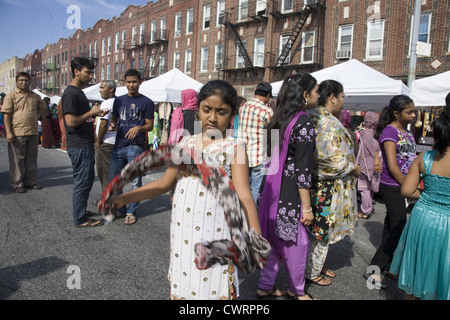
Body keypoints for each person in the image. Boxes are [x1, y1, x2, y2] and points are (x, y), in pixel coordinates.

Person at [103, 80, 261, 299]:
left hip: (217, 229)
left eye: (221, 112)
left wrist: (256, 236)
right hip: (183, 231)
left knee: (214, 285)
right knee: (185, 281)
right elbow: (162, 184)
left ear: (232, 115)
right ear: (198, 111)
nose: (213, 118)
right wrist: (122, 199)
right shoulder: (185, 143)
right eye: (207, 110)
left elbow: (244, 194)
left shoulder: (235, 147)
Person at [257, 73, 318, 300]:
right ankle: (297, 290)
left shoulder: (277, 118)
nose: (318, 95)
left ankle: (265, 286)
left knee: (273, 242)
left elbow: (269, 160)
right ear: (305, 94)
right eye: (316, 90)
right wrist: (308, 208)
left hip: (272, 190)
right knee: (296, 244)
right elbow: (303, 171)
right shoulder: (303, 122)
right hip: (291, 193)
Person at [389, 94, 450, 300]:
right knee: (443, 275)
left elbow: (406, 191)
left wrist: (429, 194)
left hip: (423, 218)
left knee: (417, 273)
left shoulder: (425, 158)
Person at [305, 80, 361, 286]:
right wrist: (353, 168)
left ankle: (316, 265)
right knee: (321, 231)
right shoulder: (325, 121)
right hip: (326, 186)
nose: (344, 101)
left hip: (317, 182)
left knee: (319, 231)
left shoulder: (316, 117)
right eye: (343, 96)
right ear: (333, 98)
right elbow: (331, 160)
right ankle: (312, 271)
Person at [364, 95, 416, 288]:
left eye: (413, 111)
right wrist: (407, 187)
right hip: (394, 184)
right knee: (398, 224)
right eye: (408, 112)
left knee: (390, 225)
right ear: (396, 113)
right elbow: (393, 166)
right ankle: (374, 268)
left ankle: (384, 265)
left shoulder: (407, 132)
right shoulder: (390, 131)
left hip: (404, 184)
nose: (413, 115)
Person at [62, 57, 107, 227]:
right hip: (79, 144)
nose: (90, 76)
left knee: (86, 179)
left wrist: (95, 114)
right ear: (76, 71)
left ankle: (80, 210)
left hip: (84, 143)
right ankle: (80, 218)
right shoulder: (71, 93)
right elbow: (71, 122)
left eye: (91, 72)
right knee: (83, 180)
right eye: (87, 72)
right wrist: (91, 113)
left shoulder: (78, 92)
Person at [108, 69, 154, 225]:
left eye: (134, 82)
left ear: (140, 82)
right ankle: (121, 208)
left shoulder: (147, 102)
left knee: (134, 181)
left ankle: (131, 211)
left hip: (136, 146)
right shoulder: (118, 100)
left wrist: (138, 128)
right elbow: (114, 119)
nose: (131, 85)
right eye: (128, 82)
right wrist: (113, 125)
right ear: (124, 82)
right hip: (118, 145)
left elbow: (150, 125)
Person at [1, 72, 49, 193]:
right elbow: (6, 114)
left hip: (32, 131)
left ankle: (30, 181)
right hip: (17, 131)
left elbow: (42, 108)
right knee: (17, 160)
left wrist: (35, 114)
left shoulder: (34, 96)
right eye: (21, 80)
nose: (24, 82)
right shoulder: (11, 96)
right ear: (17, 82)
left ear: (30, 82)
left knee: (31, 159)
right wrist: (9, 132)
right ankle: (17, 183)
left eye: (26, 80)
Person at [237, 82, 274, 202]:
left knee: (243, 188)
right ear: (268, 95)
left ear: (255, 93)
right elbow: (272, 133)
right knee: (256, 190)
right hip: (258, 154)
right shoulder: (267, 112)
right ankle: (253, 217)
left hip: (243, 153)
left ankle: (242, 214)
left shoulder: (243, 107)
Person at [356, 112, 381, 219]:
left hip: (365, 165)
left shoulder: (364, 133)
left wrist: (357, 163)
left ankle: (365, 211)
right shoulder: (378, 133)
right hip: (376, 164)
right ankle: (369, 207)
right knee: (370, 188)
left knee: (364, 188)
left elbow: (361, 150)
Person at [95, 80, 117, 191]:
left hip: (106, 142)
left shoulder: (108, 103)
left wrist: (98, 142)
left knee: (104, 172)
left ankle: (107, 202)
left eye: (102, 88)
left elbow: (103, 124)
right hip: (113, 142)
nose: (100, 91)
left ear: (111, 89)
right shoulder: (118, 101)